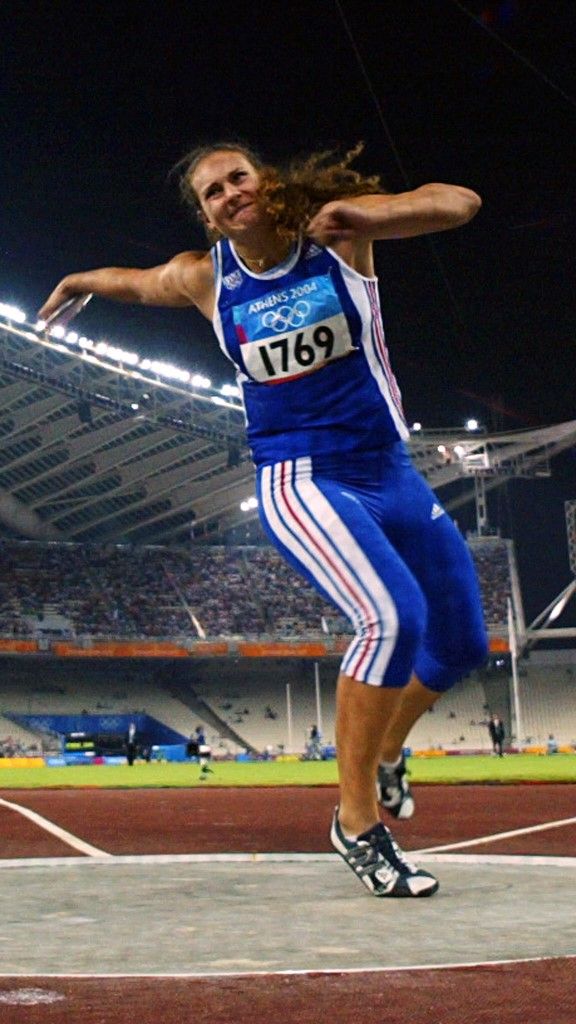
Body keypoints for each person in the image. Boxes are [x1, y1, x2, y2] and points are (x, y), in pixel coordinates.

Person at [40, 140, 489, 898]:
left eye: (237, 177)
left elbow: (461, 202)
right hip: (300, 476)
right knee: (391, 619)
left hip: (390, 469)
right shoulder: (208, 277)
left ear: (267, 181)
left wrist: (368, 211)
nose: (228, 194)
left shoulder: (339, 237)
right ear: (207, 215)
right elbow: (139, 283)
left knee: (462, 642)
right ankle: (357, 824)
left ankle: (384, 755)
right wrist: (79, 279)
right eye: (212, 192)